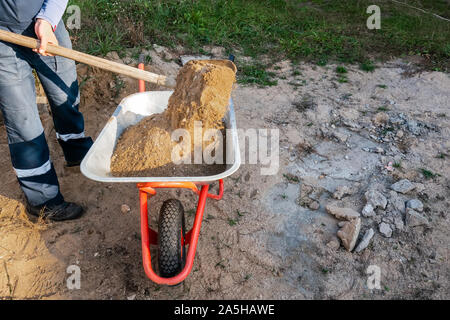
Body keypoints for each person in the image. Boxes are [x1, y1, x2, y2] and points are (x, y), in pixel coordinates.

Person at [0, 0, 92, 221]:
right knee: (22, 120)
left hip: (45, 23)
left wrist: (47, 20)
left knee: (65, 96)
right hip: (2, 40)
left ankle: (77, 152)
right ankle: (44, 200)